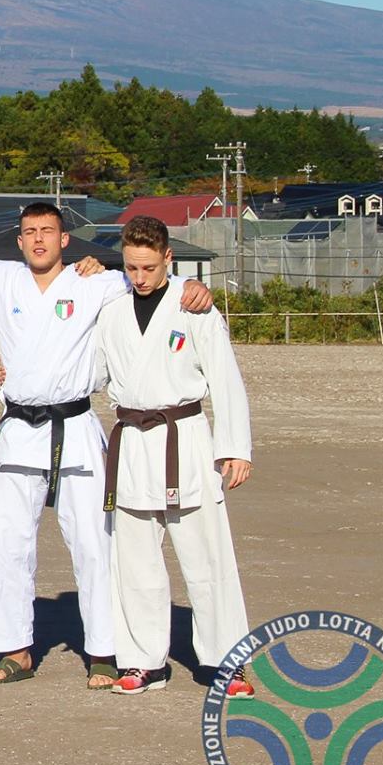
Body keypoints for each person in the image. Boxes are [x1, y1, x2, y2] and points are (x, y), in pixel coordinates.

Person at [0, 202, 213, 688]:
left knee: (92, 542)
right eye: (29, 232)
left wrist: (193, 286)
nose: (39, 240)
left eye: (48, 231)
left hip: (75, 425)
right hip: (19, 429)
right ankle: (13, 648)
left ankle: (104, 650)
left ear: (66, 239)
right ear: (18, 240)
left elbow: (151, 283)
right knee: (8, 546)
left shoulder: (98, 281)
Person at [93, 216, 254, 697]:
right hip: (132, 441)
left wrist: (234, 449)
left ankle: (228, 663)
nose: (138, 277)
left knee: (207, 558)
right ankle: (143, 661)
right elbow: (92, 376)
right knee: (135, 560)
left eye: (147, 267)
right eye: (130, 268)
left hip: (184, 437)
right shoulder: (112, 313)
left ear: (169, 259)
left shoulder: (195, 309)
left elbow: (226, 379)